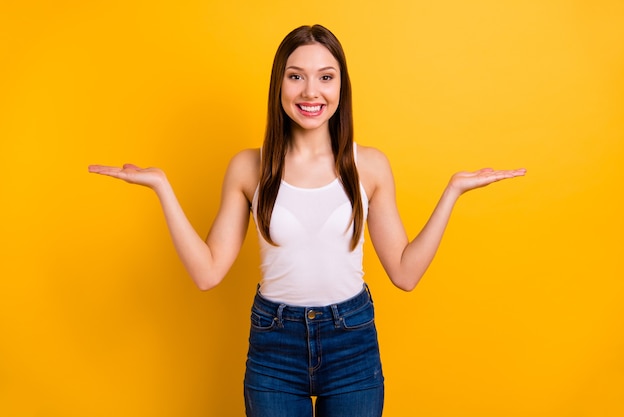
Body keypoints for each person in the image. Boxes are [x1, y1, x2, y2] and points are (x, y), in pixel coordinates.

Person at [88, 24, 525, 417]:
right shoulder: (248, 168)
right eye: (296, 76)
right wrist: (163, 187)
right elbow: (207, 272)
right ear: (279, 84)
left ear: (341, 87)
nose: (310, 92)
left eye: (325, 77)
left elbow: (405, 273)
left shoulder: (369, 166)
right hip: (274, 347)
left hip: (351, 342)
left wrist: (452, 192)